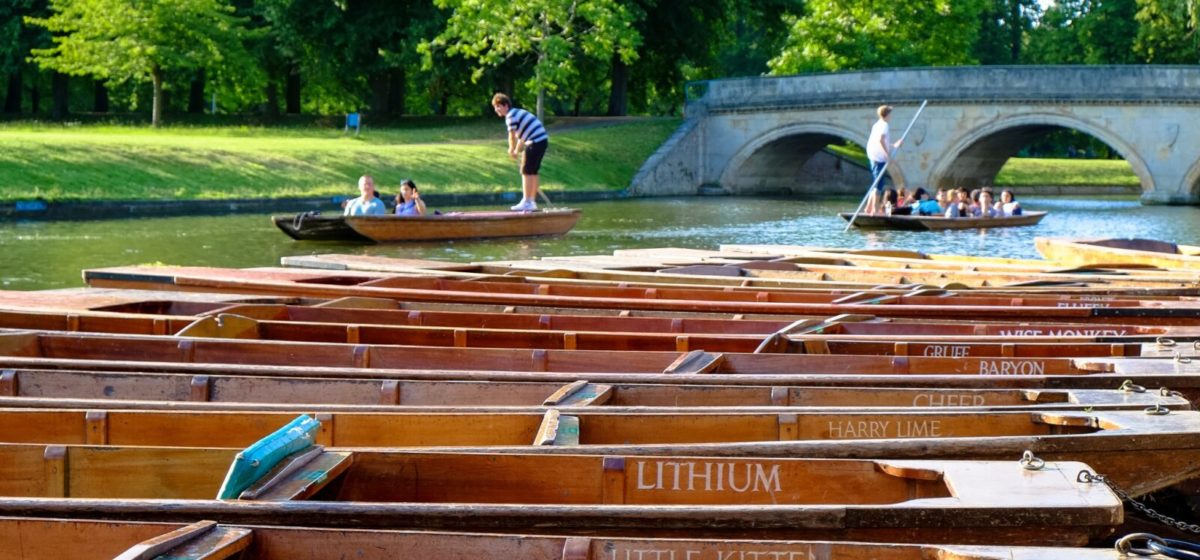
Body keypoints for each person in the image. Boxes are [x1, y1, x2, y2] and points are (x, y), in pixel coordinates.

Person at [492, 93, 549, 212]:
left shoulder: (510, 116)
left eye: (498, 106)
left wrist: (511, 149)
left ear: (506, 105)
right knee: (532, 171)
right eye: (495, 107)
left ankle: (527, 201)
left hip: (535, 141)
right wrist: (517, 151)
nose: (496, 109)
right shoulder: (517, 113)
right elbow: (522, 137)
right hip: (541, 141)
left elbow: (512, 136)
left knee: (526, 171)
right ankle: (531, 202)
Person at [864, 105, 903, 215]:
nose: (891, 116)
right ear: (887, 114)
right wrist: (888, 155)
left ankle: (868, 208)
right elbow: (881, 140)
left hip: (873, 155)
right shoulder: (884, 125)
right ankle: (875, 210)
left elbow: (880, 141)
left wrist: (894, 145)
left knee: (876, 183)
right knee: (878, 185)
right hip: (878, 157)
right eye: (890, 113)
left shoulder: (877, 124)